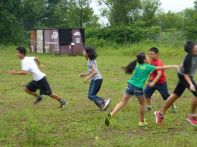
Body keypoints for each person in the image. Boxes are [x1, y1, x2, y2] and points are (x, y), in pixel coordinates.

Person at [105, 52, 178, 127]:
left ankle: (111, 114)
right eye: (147, 57)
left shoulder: (138, 65)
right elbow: (163, 67)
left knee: (122, 102)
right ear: (144, 60)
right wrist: (175, 66)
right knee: (142, 104)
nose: (148, 58)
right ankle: (142, 121)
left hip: (129, 85)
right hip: (138, 88)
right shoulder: (148, 67)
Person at [154, 41, 197, 126]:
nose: (196, 46)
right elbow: (185, 74)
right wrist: (191, 84)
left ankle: (160, 113)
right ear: (191, 50)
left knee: (176, 94)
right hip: (184, 76)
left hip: (184, 74)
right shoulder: (188, 58)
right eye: (195, 46)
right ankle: (192, 116)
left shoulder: (195, 53)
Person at [144, 47, 176, 112]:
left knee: (166, 96)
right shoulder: (151, 61)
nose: (150, 56)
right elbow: (151, 70)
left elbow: (159, 74)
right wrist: (150, 79)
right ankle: (149, 106)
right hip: (152, 81)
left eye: (152, 54)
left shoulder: (159, 62)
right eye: (149, 54)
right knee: (146, 93)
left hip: (161, 83)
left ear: (157, 54)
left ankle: (173, 105)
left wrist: (153, 82)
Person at [80, 47, 111, 111]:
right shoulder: (89, 60)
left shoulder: (90, 61)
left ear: (88, 53)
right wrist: (85, 74)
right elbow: (92, 71)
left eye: (84, 51)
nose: (82, 52)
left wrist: (87, 78)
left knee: (91, 95)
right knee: (92, 95)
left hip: (97, 79)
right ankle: (103, 107)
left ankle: (104, 101)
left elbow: (95, 72)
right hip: (96, 79)